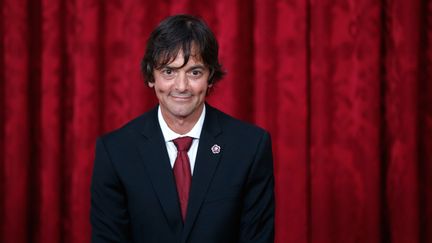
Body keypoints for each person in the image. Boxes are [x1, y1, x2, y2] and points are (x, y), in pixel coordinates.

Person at [90, 14, 274, 243]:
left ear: (210, 78)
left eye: (194, 72)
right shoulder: (115, 151)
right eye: (169, 71)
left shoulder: (250, 147)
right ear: (151, 77)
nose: (181, 86)